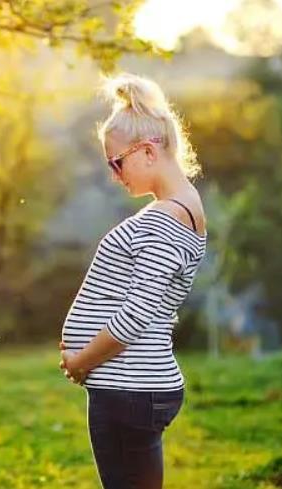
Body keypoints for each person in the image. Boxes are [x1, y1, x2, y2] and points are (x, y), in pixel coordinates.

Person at [58, 72, 207, 489]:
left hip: (130, 390)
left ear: (146, 151)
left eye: (116, 162)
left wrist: (81, 360)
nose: (114, 174)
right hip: (134, 386)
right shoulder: (180, 208)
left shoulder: (167, 218)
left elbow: (137, 313)